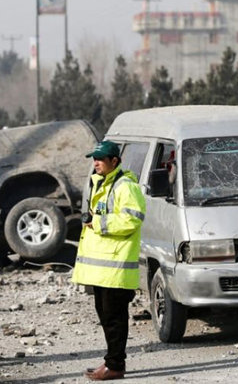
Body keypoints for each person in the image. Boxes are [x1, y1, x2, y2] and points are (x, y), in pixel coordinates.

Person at [71, 141, 146, 381]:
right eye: (94, 158)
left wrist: (99, 223)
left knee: (114, 319)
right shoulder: (100, 183)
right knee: (106, 316)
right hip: (103, 269)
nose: (96, 162)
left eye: (101, 159)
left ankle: (115, 366)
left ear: (115, 161)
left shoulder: (126, 186)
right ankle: (111, 362)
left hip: (116, 267)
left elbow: (133, 220)